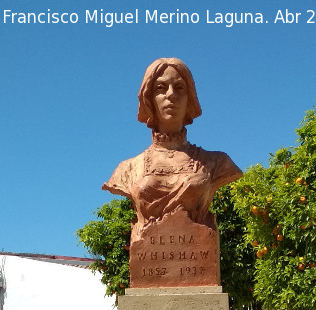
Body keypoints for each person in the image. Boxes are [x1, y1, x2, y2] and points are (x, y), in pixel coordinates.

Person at [102, 58, 242, 233]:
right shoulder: (127, 169)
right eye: (161, 88)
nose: (171, 95)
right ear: (149, 98)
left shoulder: (217, 163)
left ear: (189, 97)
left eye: (179, 87)